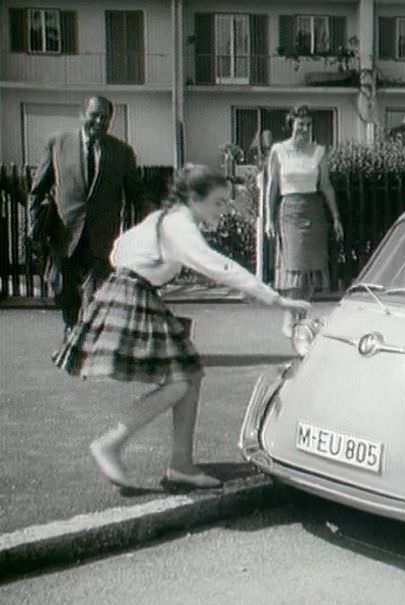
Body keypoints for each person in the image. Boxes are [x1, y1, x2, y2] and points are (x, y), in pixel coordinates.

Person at [52, 164, 311, 491]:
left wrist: (145, 266)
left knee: (190, 374)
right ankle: (110, 443)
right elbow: (219, 266)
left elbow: (118, 249)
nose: (225, 209)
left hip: (131, 289)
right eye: (218, 202)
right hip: (133, 295)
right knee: (178, 383)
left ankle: (181, 464)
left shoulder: (163, 219)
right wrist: (277, 300)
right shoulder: (180, 225)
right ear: (193, 198)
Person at [28, 95, 151, 340]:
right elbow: (38, 189)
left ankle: (83, 336)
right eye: (94, 115)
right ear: (82, 114)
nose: (99, 121)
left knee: (96, 291)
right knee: (62, 288)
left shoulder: (122, 152)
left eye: (104, 117)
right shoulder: (58, 144)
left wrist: (145, 229)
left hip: (102, 234)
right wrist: (34, 224)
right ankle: (70, 323)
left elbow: (136, 194)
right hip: (65, 232)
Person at [264, 105, 344, 337]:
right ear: (292, 125)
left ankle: (303, 318)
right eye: (300, 124)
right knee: (294, 267)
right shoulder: (278, 150)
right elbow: (272, 187)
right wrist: (269, 219)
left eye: (308, 125)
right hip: (289, 211)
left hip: (314, 211)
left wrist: (336, 217)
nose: (304, 129)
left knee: (310, 269)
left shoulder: (318, 151)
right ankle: (289, 317)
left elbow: (326, 186)